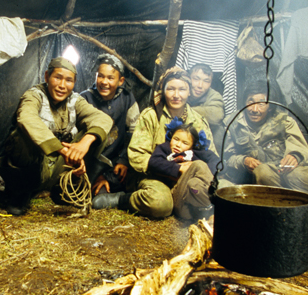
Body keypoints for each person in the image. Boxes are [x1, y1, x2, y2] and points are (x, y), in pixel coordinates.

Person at [94, 67, 216, 220]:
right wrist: (174, 169)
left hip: (189, 178)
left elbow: (212, 156)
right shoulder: (151, 116)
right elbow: (137, 156)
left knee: (223, 190)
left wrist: (194, 170)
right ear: (163, 91)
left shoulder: (198, 121)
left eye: (182, 89)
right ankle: (123, 199)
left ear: (189, 91)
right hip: (154, 177)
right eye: (171, 89)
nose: (176, 95)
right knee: (160, 204)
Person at [0, 57, 113, 215]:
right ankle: (21, 193)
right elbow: (26, 118)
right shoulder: (34, 95)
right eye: (57, 78)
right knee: (23, 134)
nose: (62, 86)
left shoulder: (75, 100)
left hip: (58, 166)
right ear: (46, 77)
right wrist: (63, 151)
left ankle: (66, 187)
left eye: (69, 80)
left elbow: (103, 119)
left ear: (74, 82)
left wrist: (85, 143)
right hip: (33, 166)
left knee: (97, 133)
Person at [222, 80, 308, 194]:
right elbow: (226, 157)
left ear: (270, 107)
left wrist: (295, 156)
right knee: (262, 171)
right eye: (250, 102)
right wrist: (243, 161)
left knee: (297, 175)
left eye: (261, 104)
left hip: (284, 171)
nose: (255, 110)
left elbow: (303, 151)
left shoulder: (284, 121)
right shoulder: (232, 123)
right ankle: (278, 208)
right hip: (255, 177)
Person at [80, 54, 140, 203]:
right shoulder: (85, 98)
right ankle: (100, 185)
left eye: (110, 78)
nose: (104, 82)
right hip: (91, 160)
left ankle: (117, 193)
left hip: (116, 161)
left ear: (120, 81)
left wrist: (124, 160)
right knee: (89, 191)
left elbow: (134, 132)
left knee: (134, 174)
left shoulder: (127, 98)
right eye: (100, 76)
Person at [147, 120, 219, 219]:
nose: (178, 145)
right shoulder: (165, 149)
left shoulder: (195, 153)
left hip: (191, 209)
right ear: (171, 137)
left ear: (192, 146)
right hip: (179, 200)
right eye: (176, 139)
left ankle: (208, 209)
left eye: (185, 143)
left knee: (194, 182)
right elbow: (154, 163)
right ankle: (214, 207)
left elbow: (218, 163)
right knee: (198, 164)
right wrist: (179, 168)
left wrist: (192, 170)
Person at [187, 64, 225, 152]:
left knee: (219, 130)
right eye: (196, 79)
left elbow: (216, 116)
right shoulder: (181, 88)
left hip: (203, 138)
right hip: (180, 135)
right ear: (188, 78)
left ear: (210, 83)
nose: (200, 85)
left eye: (206, 81)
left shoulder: (214, 95)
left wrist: (184, 110)